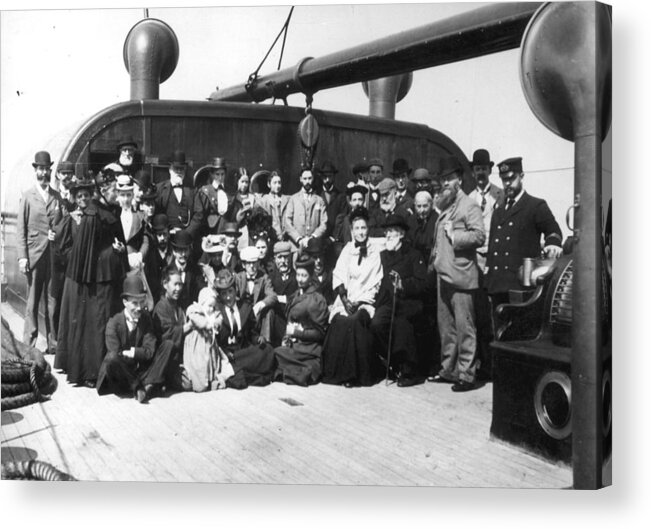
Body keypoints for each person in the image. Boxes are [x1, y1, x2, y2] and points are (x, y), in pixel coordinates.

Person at [429, 156, 485, 392]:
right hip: (444, 275)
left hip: (462, 277)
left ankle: (467, 374)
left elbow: (480, 236)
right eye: (443, 180)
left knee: (465, 328)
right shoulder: (446, 204)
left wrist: (456, 236)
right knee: (447, 327)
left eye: (449, 179)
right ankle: (448, 370)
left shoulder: (469, 205)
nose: (445, 184)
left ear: (459, 180)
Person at [484, 157, 563, 308]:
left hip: (520, 285)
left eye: (512, 178)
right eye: (504, 180)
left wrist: (553, 244)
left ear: (521, 176)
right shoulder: (498, 212)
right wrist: (488, 281)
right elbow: (493, 248)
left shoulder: (535, 206)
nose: (507, 184)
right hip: (497, 285)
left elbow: (553, 230)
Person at [54, 175, 108, 387]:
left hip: (91, 276)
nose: (84, 199)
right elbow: (62, 247)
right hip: (75, 277)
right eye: (80, 196)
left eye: (87, 195)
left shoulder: (95, 218)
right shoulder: (72, 219)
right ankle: (72, 363)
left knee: (87, 321)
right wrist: (75, 258)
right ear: (75, 199)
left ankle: (85, 366)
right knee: (74, 319)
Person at [322, 207, 384, 387]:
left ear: (368, 229)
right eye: (357, 229)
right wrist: (344, 299)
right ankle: (335, 373)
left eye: (363, 228)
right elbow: (339, 275)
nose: (360, 232)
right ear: (352, 231)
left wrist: (360, 302)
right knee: (339, 321)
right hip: (346, 300)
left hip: (364, 302)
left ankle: (355, 375)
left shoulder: (374, 252)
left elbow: (375, 281)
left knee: (355, 321)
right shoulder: (347, 249)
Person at [96, 275, 175, 403]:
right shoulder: (113, 323)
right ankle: (144, 387)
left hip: (141, 372)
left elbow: (149, 351)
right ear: (124, 302)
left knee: (168, 345)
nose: (139, 307)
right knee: (112, 359)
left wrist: (132, 352)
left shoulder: (146, 319)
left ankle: (146, 386)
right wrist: (138, 353)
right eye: (134, 303)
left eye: (142, 302)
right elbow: (116, 354)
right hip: (123, 377)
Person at [371, 214, 427, 386]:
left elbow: (422, 283)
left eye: (393, 232)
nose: (388, 235)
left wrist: (403, 284)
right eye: (387, 232)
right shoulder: (382, 256)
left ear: (402, 234)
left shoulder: (413, 254)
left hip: (408, 302)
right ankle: (392, 362)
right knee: (377, 324)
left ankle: (408, 371)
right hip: (387, 302)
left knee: (401, 324)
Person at [17, 151, 63, 354]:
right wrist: (22, 257)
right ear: (35, 171)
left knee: (52, 301)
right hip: (34, 256)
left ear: (50, 171)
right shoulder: (27, 197)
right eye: (41, 169)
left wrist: (57, 234)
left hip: (52, 257)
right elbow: (21, 230)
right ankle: (29, 344)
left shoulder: (56, 196)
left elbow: (62, 224)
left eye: (47, 169)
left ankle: (53, 343)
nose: (44, 173)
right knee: (33, 302)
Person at [213, 268, 276, 389]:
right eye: (223, 294)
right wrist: (224, 352)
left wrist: (258, 338)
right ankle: (240, 373)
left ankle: (235, 371)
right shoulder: (217, 310)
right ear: (220, 295)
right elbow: (215, 341)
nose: (228, 297)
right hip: (226, 354)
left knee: (267, 350)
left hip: (243, 352)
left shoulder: (245, 307)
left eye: (230, 292)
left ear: (235, 290)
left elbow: (251, 333)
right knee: (246, 376)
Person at [273, 255, 329, 386]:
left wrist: (296, 333)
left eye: (304, 276)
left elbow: (321, 333)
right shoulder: (298, 293)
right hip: (296, 346)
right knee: (275, 354)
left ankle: (303, 370)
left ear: (311, 276)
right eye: (298, 275)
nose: (299, 279)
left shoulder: (316, 299)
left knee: (275, 355)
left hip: (309, 350)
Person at [181, 287, 234, 392]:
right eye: (209, 306)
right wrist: (209, 324)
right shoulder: (195, 311)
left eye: (213, 307)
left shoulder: (214, 314)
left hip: (209, 344)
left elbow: (219, 318)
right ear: (202, 303)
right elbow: (198, 321)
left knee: (212, 362)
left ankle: (211, 378)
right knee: (200, 365)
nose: (211, 309)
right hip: (197, 345)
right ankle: (199, 381)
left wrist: (216, 323)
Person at [152, 267, 194, 391]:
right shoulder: (161, 307)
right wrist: (188, 327)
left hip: (179, 359)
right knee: (187, 384)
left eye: (180, 285)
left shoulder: (179, 307)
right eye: (175, 284)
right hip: (164, 359)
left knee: (191, 383)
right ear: (165, 284)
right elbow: (167, 335)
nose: (178, 289)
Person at [154, 150, 205, 238]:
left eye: (181, 169)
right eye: (175, 168)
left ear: (185, 170)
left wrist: (187, 233)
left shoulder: (193, 190)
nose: (178, 171)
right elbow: (156, 212)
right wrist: (166, 231)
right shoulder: (160, 189)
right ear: (170, 170)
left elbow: (199, 214)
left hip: (187, 237)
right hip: (166, 236)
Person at [234, 246, 277, 344]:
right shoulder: (238, 277)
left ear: (258, 263)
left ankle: (264, 342)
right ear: (244, 265)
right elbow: (234, 296)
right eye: (248, 263)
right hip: (243, 315)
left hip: (257, 317)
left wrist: (260, 304)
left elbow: (273, 296)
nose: (252, 266)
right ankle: (238, 338)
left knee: (270, 311)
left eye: (254, 263)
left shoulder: (264, 278)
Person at [284, 169, 328, 253]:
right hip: (296, 246)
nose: (307, 181)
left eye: (309, 178)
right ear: (301, 179)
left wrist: (312, 238)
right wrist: (299, 239)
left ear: (313, 179)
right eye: (305, 179)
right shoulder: (293, 199)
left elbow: (324, 223)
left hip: (314, 246)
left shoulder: (319, 200)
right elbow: (287, 222)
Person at [168, 229, 203, 310]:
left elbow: (201, 287)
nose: (183, 254)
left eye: (185, 250)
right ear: (174, 251)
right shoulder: (168, 270)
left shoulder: (195, 270)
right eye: (180, 250)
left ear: (190, 251)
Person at [144, 213, 173, 304]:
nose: (162, 238)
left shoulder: (173, 252)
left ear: (168, 233)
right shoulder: (151, 253)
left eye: (164, 234)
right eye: (159, 235)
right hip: (155, 297)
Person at [331, 183, 368, 250]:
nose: (357, 203)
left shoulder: (368, 218)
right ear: (350, 202)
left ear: (363, 201)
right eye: (354, 200)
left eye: (360, 199)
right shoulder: (345, 220)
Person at [199, 157, 230, 235]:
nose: (220, 178)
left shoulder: (228, 191)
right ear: (212, 174)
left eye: (222, 174)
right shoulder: (206, 191)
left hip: (226, 229)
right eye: (217, 174)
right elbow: (201, 215)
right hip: (211, 231)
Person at [257, 170, 290, 242]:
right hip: (271, 238)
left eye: (279, 183)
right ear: (269, 184)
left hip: (286, 238)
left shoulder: (287, 199)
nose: (277, 186)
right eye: (274, 183)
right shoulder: (263, 201)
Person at [407, 190, 439, 261]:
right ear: (414, 206)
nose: (422, 210)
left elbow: (427, 242)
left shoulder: (436, 219)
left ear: (431, 205)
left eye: (425, 206)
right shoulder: (411, 220)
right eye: (419, 206)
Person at [317, 160, 345, 237]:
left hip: (335, 237)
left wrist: (335, 236)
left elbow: (342, 217)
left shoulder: (341, 196)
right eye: (325, 177)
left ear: (334, 177)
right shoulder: (316, 195)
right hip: (319, 237)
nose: (327, 180)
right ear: (321, 177)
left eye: (330, 176)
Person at [304, 236, 334, 305]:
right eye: (315, 257)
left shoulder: (330, 273)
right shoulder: (306, 276)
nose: (318, 260)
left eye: (320, 256)